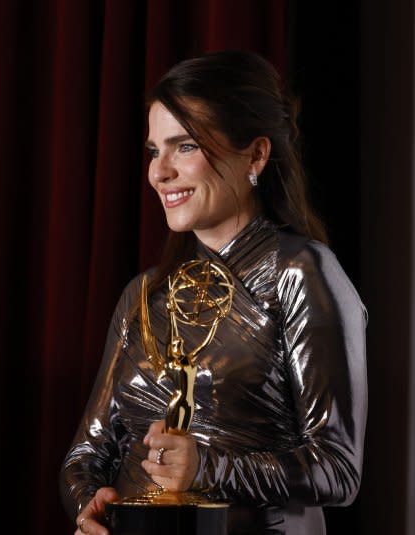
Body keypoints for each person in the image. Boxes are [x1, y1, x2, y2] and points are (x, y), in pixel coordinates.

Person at [59, 50, 368, 535]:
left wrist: (207, 467)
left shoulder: (301, 273)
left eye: (183, 146)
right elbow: (86, 456)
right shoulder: (143, 295)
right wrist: (89, 505)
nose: (158, 172)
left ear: (256, 155)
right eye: (153, 150)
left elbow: (338, 468)